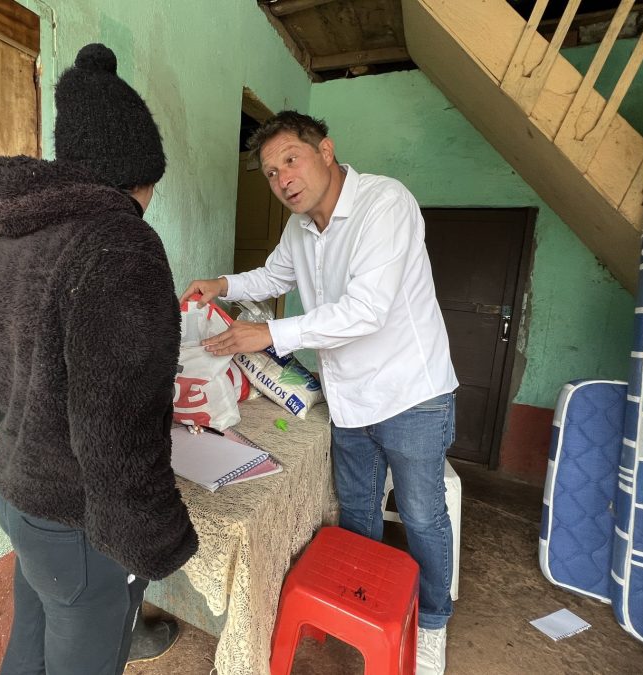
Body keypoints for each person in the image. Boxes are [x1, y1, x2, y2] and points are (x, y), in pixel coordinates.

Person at [180, 110, 458, 674]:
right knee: (357, 509)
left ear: (325, 151)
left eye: (291, 159)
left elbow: (368, 311)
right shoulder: (299, 228)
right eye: (270, 171)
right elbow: (273, 277)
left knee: (424, 513)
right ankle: (362, 607)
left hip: (411, 392)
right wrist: (223, 284)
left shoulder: (385, 204)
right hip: (350, 398)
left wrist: (270, 333)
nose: (282, 178)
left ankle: (429, 622)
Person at [0, 43, 197, 675]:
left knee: (31, 641)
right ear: (137, 173)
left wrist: (31, 439)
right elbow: (115, 425)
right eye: (153, 184)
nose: (152, 198)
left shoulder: (12, 241)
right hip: (81, 523)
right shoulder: (121, 243)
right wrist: (154, 540)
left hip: (19, 496)